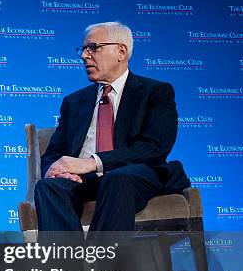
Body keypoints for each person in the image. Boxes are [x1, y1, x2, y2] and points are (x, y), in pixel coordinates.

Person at [34, 21, 190, 233]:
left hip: (134, 175)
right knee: (48, 187)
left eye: (93, 48)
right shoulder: (74, 102)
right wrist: (57, 171)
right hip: (83, 181)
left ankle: (102, 263)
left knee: (117, 179)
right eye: (83, 49)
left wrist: (92, 163)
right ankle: (67, 264)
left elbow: (153, 148)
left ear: (121, 51)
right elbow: (53, 154)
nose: (84, 56)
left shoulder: (155, 92)